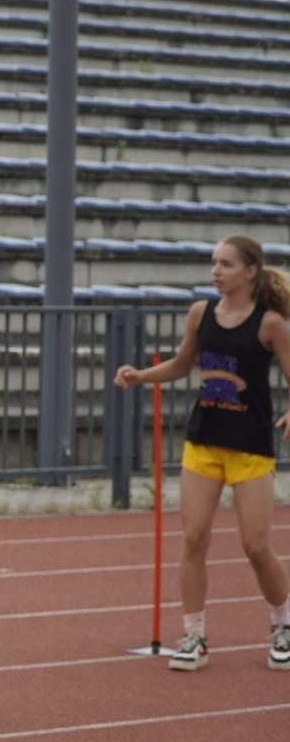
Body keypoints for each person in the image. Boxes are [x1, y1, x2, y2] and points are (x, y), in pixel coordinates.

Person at [114, 234, 290, 672]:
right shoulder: (200, 313)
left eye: (226, 264)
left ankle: (282, 624)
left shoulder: (270, 324)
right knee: (193, 540)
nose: (216, 271)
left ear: (250, 271)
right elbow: (181, 363)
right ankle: (194, 635)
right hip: (203, 441)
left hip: (249, 447)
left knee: (255, 546)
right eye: (213, 263)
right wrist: (141, 376)